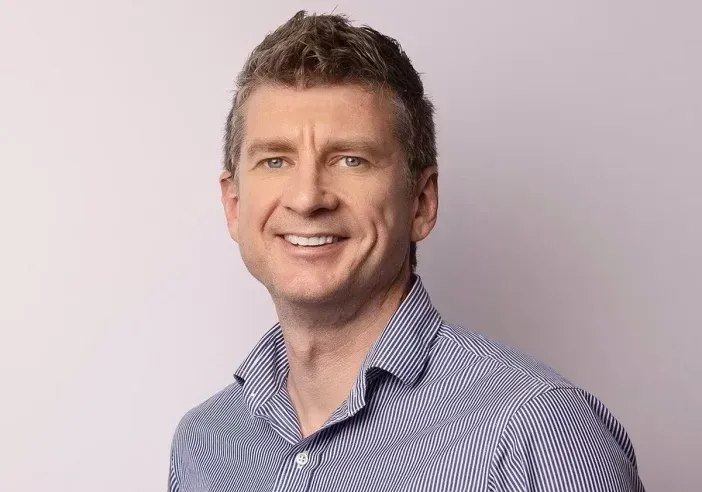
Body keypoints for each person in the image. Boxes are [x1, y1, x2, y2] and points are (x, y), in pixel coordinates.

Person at [168, 10, 646, 492]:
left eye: (350, 159)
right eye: (275, 161)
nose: (308, 198)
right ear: (233, 205)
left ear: (421, 202)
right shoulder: (205, 443)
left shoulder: (537, 432)